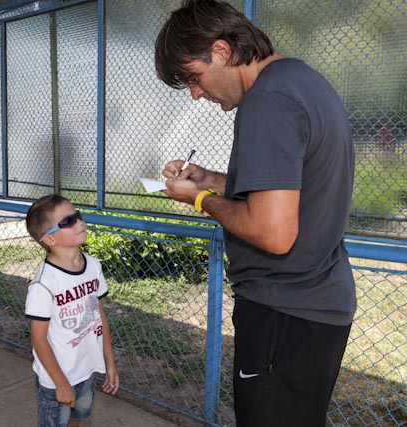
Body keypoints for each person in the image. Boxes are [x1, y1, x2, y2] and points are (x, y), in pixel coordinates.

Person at [154, 1, 356, 426]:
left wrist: (199, 200)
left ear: (222, 51)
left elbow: (273, 231)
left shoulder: (267, 101)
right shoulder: (301, 80)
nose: (196, 94)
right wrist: (209, 179)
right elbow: (285, 191)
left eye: (194, 77)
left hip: (284, 311)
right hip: (315, 306)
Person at [25, 195, 119, 427]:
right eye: (68, 221)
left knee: (76, 419)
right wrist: (61, 383)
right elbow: (38, 339)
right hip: (56, 378)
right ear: (49, 239)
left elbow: (100, 317)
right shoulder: (44, 284)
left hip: (85, 371)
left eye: (77, 215)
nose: (79, 222)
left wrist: (110, 362)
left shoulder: (93, 266)